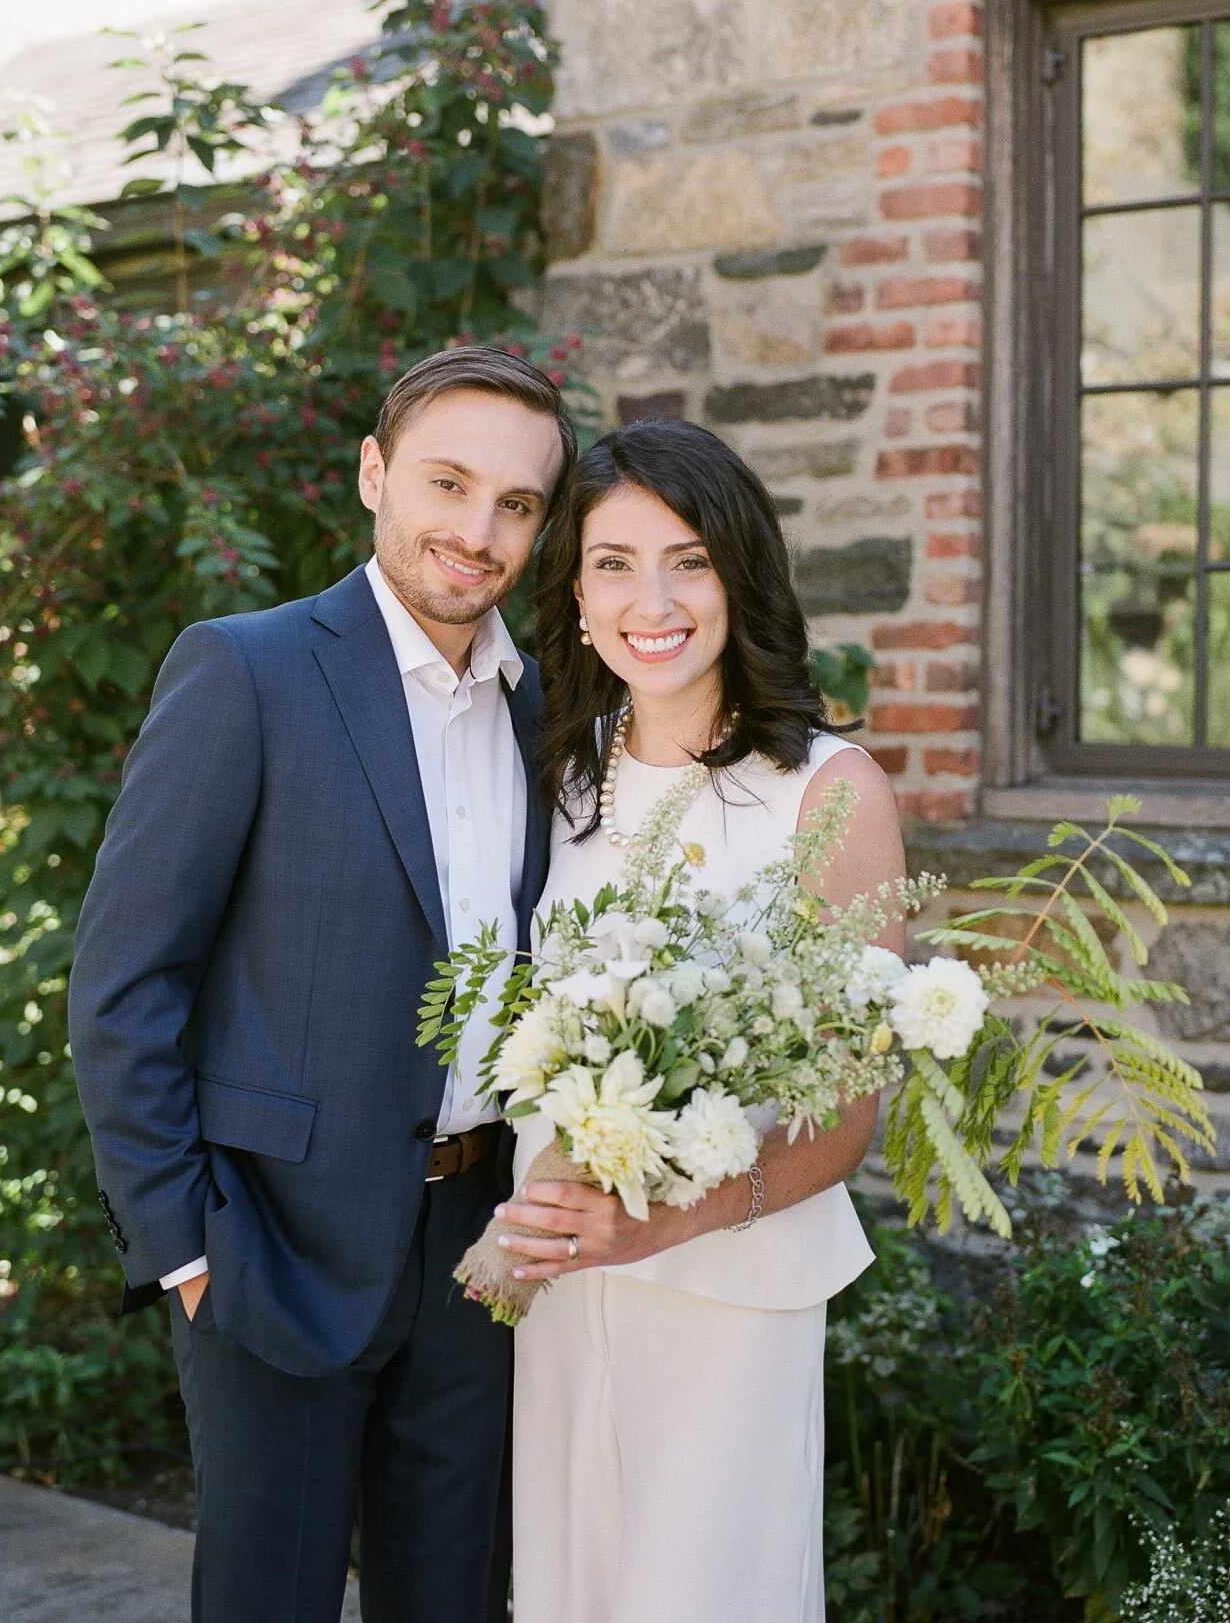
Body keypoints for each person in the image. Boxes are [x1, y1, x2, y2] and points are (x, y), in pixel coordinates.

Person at [67, 345, 573, 1623]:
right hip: (269, 1247)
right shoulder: (247, 672)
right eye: (447, 484)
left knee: (453, 1600)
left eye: (515, 504)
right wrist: (181, 1246)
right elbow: (125, 981)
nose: (475, 531)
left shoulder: (550, 711)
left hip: (483, 1248)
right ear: (372, 474)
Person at [498, 418, 905, 1623]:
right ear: (575, 592)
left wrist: (656, 1228)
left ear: (740, 575)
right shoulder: (550, 779)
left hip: (729, 1294)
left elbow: (844, 1121)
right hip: (558, 1288)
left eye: (688, 559)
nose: (652, 598)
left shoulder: (829, 794)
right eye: (614, 562)